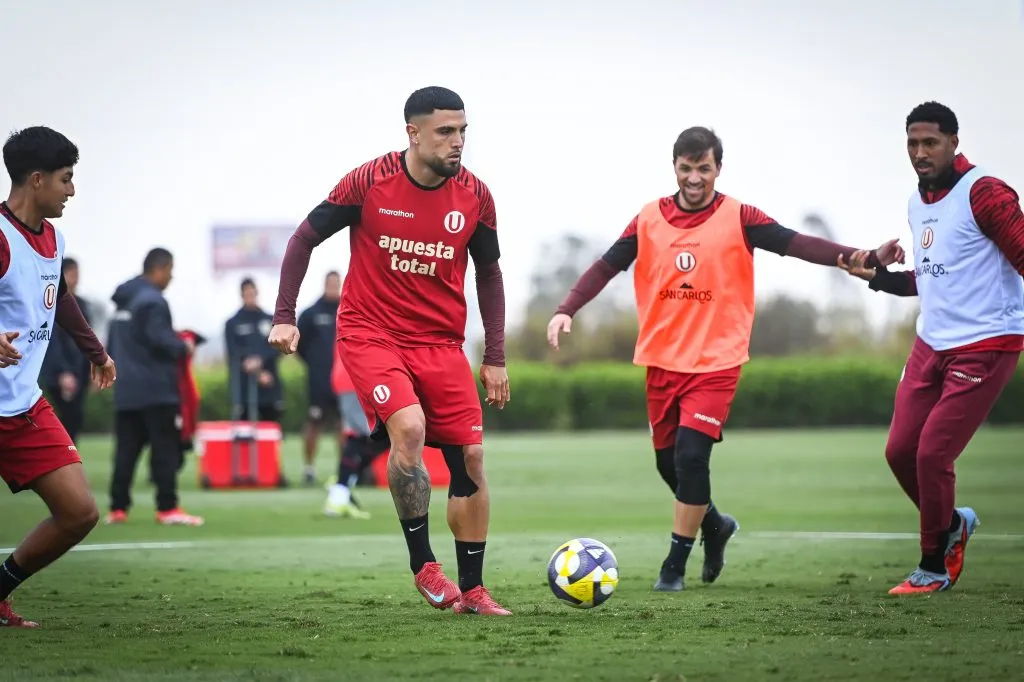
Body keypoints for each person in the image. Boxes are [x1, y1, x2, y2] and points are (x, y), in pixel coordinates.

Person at [547, 126, 905, 593]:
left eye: (704, 168)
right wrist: (567, 308)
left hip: (717, 361)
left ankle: (673, 567)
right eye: (686, 168)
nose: (694, 178)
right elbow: (605, 266)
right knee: (668, 466)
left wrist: (860, 255)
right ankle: (715, 526)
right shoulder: (648, 218)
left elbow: (796, 242)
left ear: (718, 167)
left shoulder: (741, 216)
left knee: (691, 457)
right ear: (674, 167)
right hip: (662, 361)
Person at [268, 86, 511, 616]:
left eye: (463, 131)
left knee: (471, 459)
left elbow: (489, 274)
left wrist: (495, 355)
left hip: (441, 343)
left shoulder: (475, 195)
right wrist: (285, 315)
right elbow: (303, 239)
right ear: (413, 133)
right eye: (445, 131)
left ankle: (473, 591)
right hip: (371, 333)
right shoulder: (368, 181)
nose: (457, 142)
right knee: (410, 428)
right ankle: (424, 565)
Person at [837, 101, 1024, 595]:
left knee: (932, 454)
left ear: (953, 143)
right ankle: (953, 525)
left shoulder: (985, 193)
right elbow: (932, 279)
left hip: (986, 343)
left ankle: (933, 566)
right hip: (931, 343)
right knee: (900, 451)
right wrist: (878, 277)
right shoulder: (917, 202)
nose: (920, 153)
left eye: (930, 143)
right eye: (912, 144)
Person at [0, 126, 116, 628]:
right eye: (66, 179)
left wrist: (97, 352)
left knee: (79, 512)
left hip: (23, 405)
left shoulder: (52, 239)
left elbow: (59, 298)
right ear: (37, 179)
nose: (72, 190)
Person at [105, 248, 204, 527]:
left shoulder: (122, 302)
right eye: (170, 271)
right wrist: (184, 345)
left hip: (126, 389)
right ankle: (167, 507)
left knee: (125, 451)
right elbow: (160, 339)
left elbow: (114, 346)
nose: (171, 277)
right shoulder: (153, 301)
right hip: (157, 390)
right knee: (165, 450)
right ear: (159, 269)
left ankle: (118, 508)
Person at [296, 270, 343, 485]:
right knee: (315, 423)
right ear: (325, 284)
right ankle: (309, 468)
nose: (333, 287)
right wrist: (315, 365)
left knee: (343, 425)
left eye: (336, 283)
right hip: (319, 382)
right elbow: (299, 345)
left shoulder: (348, 309)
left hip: (343, 381)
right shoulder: (311, 314)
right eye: (330, 283)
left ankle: (344, 470)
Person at [40, 257, 92, 442]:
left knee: (75, 421)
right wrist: (63, 372)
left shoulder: (82, 305)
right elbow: (52, 342)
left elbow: (87, 338)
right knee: (63, 423)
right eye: (71, 274)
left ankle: (70, 458)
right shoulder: (51, 303)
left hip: (80, 372)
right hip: (61, 375)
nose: (75, 279)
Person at [322, 342, 376, 520]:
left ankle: (342, 483)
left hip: (362, 376)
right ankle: (340, 489)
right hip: (355, 376)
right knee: (364, 435)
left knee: (378, 436)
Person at [225, 277, 282, 424]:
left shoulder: (270, 320)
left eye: (252, 293)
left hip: (268, 383)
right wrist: (254, 371)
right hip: (244, 386)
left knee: (271, 425)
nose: (250, 297)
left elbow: (277, 349)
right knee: (243, 426)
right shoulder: (233, 323)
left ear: (257, 293)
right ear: (242, 295)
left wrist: (261, 363)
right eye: (246, 294)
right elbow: (233, 352)